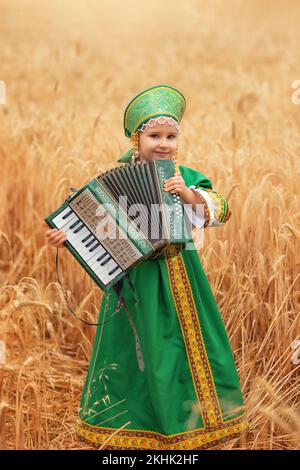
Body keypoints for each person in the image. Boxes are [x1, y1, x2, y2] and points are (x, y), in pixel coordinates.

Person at [44, 85, 248, 450]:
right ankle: (133, 425)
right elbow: (97, 227)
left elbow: (221, 211)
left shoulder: (185, 176)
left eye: (171, 136)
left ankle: (193, 422)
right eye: (154, 136)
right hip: (134, 281)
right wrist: (68, 237)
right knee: (134, 353)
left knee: (182, 346)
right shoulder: (115, 179)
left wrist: (186, 194)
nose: (164, 144)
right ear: (137, 139)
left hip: (178, 273)